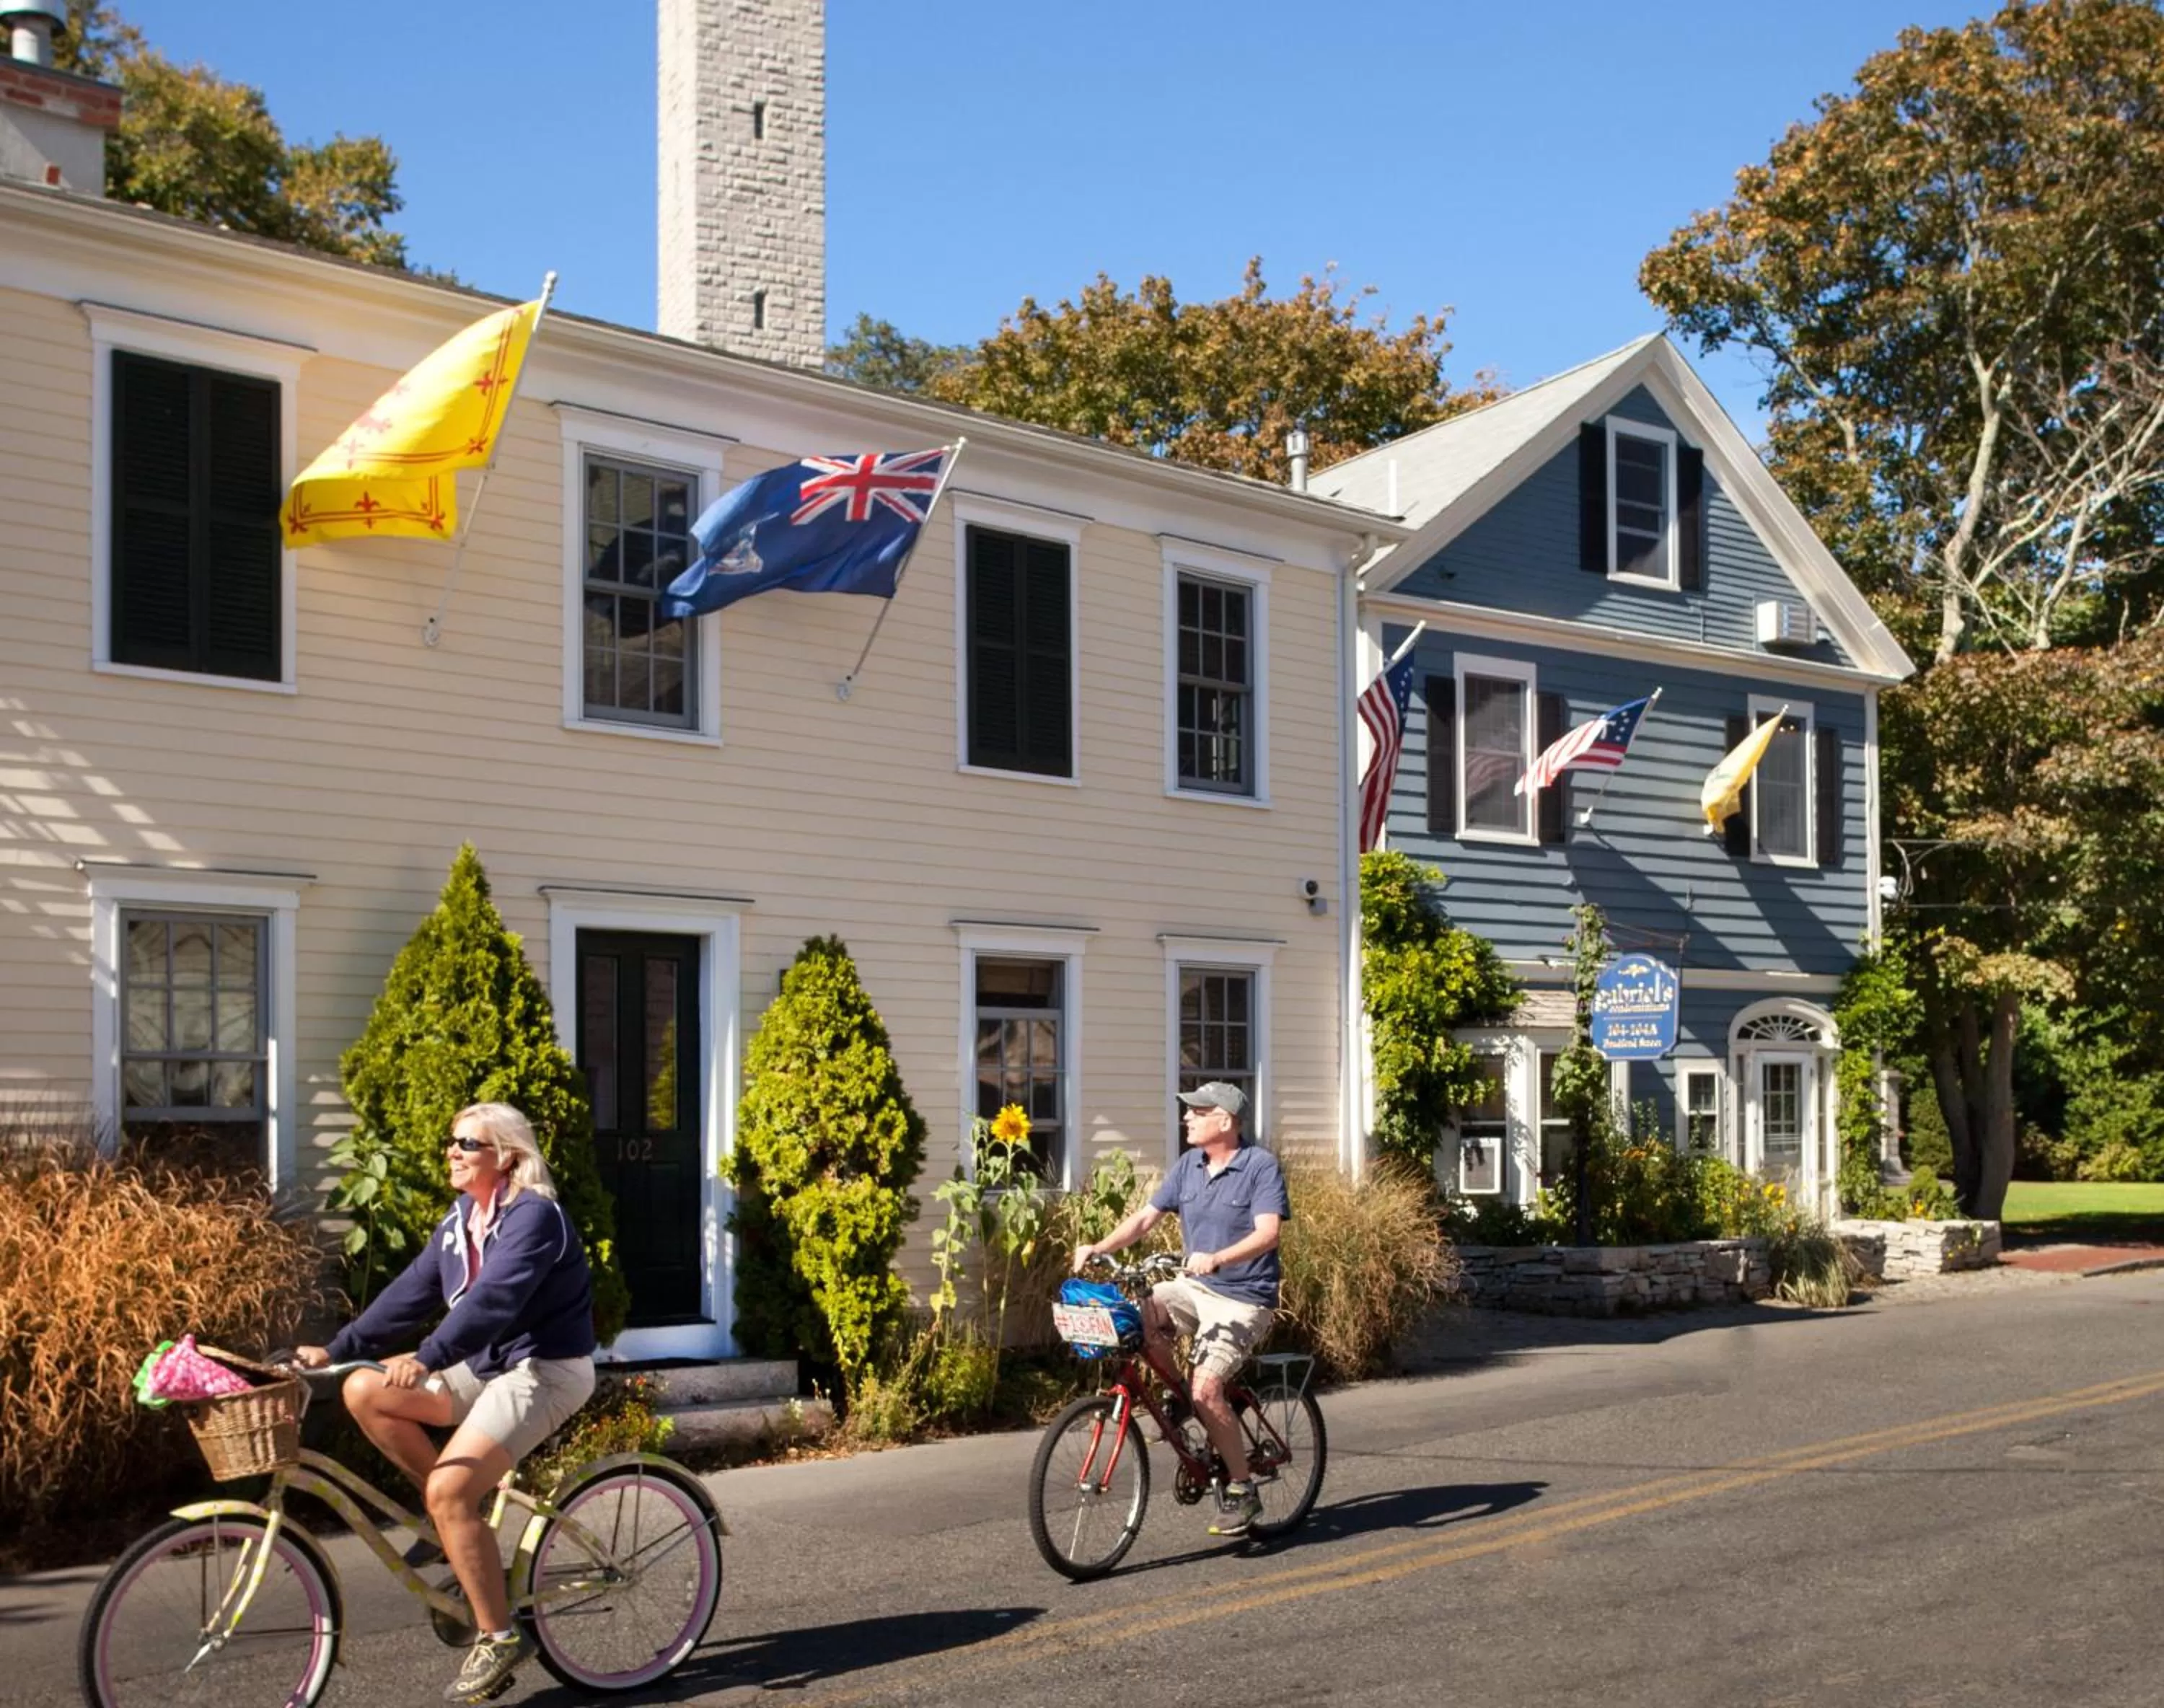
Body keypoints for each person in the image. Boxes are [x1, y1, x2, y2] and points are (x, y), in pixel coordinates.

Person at [296, 1102, 598, 1704]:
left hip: (545, 1370)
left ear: (506, 1156)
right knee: (364, 1389)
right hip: (487, 1367)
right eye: (451, 1141)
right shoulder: (463, 1218)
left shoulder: (535, 1217)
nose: (452, 1152)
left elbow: (492, 1303)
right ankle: (451, 1526)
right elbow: (411, 1292)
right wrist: (334, 1350)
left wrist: (429, 1357)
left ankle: (499, 1635)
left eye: (468, 1143)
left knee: (450, 1491)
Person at [1073, 1080, 1289, 1537]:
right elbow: (1144, 1219)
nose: (1186, 1118)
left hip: (1243, 1298)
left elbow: (1268, 1234)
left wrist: (1218, 1258)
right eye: (1188, 1111)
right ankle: (1179, 1398)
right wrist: (1099, 1246)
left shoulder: (1259, 1166)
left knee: (1208, 1390)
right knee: (1142, 1314)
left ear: (1225, 1121)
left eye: (1197, 1111)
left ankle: (1242, 1489)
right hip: (1195, 1288)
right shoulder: (1189, 1166)